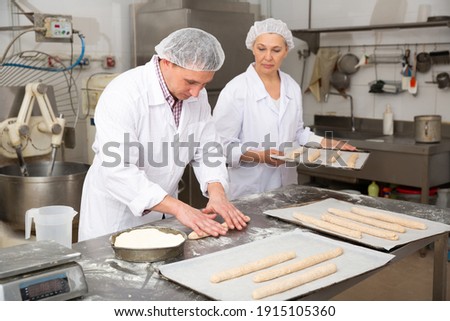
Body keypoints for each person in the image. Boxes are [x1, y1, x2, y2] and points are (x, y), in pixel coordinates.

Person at [78, 28, 249, 241]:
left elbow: (207, 149)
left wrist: (217, 193)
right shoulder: (123, 94)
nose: (196, 92)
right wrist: (179, 208)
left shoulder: (197, 95)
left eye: (204, 84)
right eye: (191, 82)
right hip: (116, 217)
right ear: (167, 62)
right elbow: (118, 170)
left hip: (163, 213)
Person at [212, 18, 355, 200]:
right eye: (262, 48)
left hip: (287, 188)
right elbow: (221, 147)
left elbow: (297, 133)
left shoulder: (292, 87)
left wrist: (329, 144)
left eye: (276, 50)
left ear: (286, 50)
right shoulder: (236, 90)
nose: (268, 57)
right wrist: (260, 156)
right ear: (252, 48)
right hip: (248, 192)